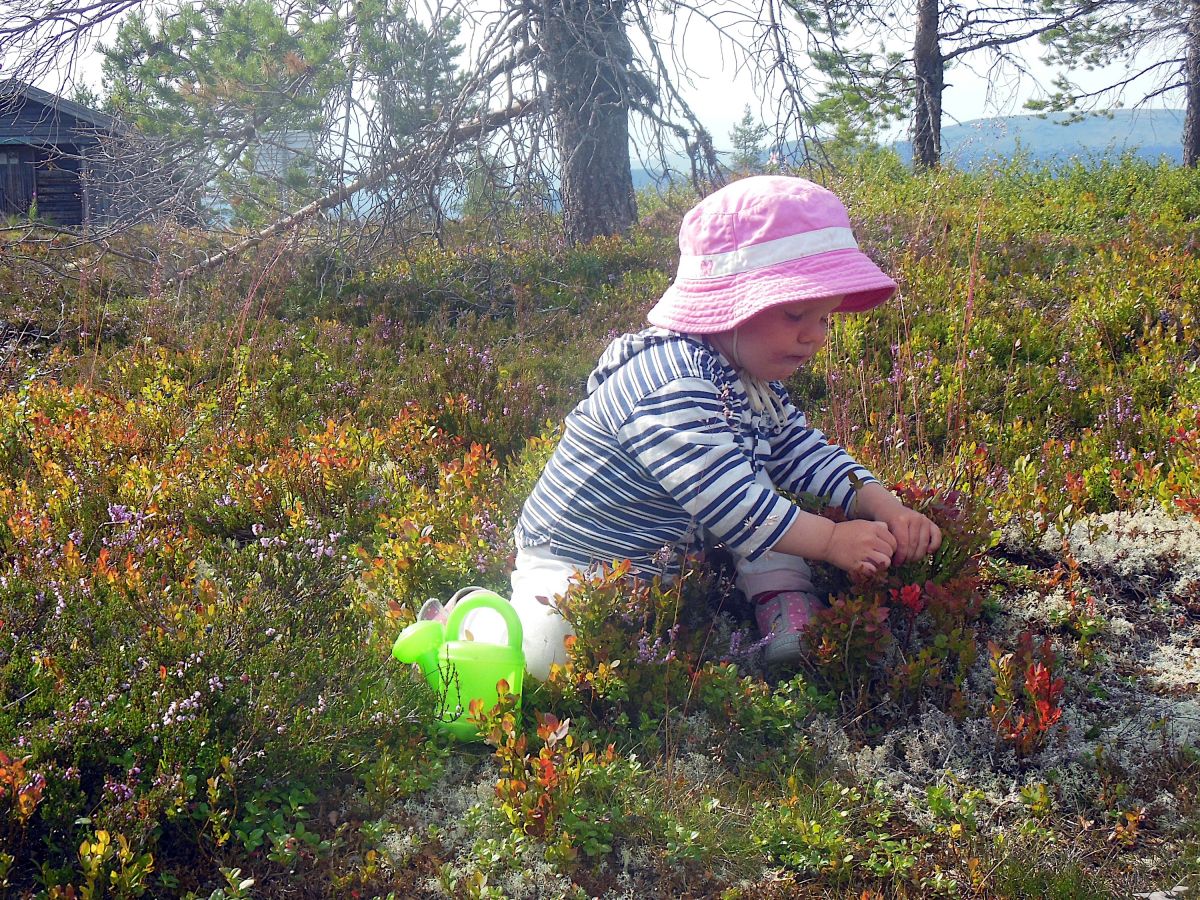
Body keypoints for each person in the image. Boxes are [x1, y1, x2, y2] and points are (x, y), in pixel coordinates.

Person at [502, 175, 942, 678]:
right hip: (577, 564)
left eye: (824, 319)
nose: (814, 336)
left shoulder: (746, 375)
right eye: (796, 312)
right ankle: (477, 629)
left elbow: (801, 452)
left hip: (667, 561)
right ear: (728, 310)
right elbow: (728, 502)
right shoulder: (670, 383)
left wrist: (884, 504)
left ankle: (784, 599)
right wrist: (831, 543)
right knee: (546, 661)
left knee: (762, 490)